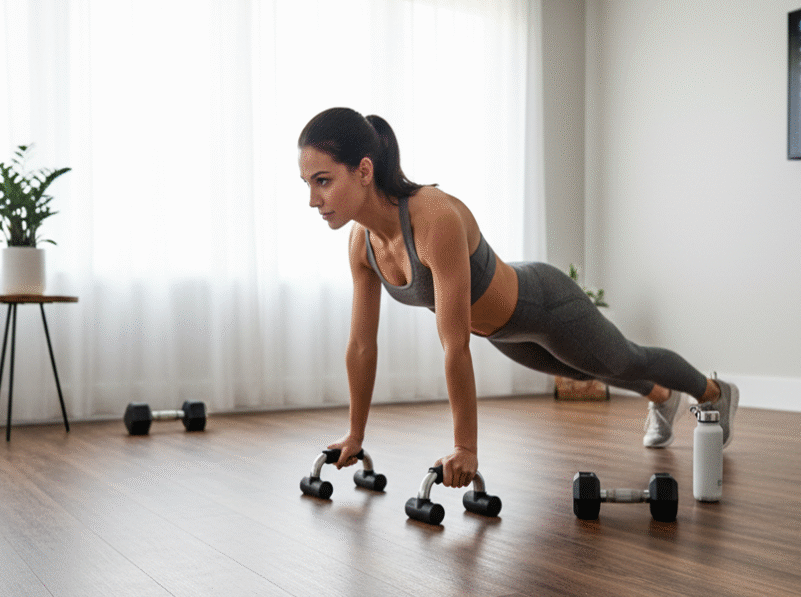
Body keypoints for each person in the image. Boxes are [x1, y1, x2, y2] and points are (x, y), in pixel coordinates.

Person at [298, 107, 738, 489]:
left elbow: (454, 344)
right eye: (307, 184)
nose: (313, 200)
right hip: (503, 331)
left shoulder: (432, 217)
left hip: (543, 304)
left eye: (323, 181)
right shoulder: (362, 243)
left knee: (625, 359)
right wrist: (355, 435)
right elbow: (361, 345)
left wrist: (465, 448)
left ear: (364, 171)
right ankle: (662, 396)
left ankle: (714, 392)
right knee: (586, 367)